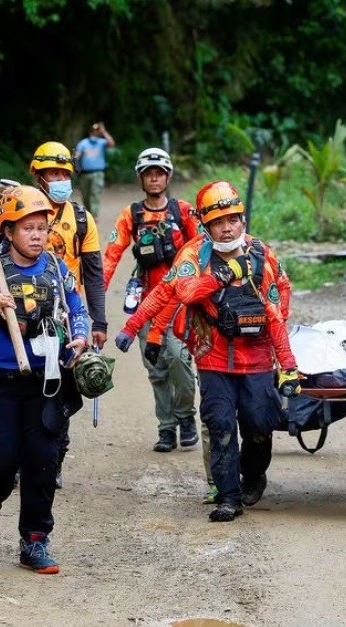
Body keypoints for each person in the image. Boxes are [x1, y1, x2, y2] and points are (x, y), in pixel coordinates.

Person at [0, 185, 90, 574]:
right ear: (8, 231)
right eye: (26, 228)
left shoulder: (57, 270)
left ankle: (34, 541)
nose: (36, 235)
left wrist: (79, 336)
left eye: (42, 228)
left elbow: (77, 309)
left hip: (46, 381)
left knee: (42, 460)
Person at [172, 180, 299, 522]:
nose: (227, 229)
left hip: (257, 358)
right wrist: (222, 277)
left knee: (260, 425)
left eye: (233, 220)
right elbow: (184, 293)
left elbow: (279, 301)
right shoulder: (193, 255)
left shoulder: (263, 255)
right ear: (206, 225)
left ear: (243, 220)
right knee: (221, 426)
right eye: (218, 223)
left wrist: (285, 359)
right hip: (212, 356)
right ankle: (228, 496)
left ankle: (254, 474)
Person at [106, 148, 202, 453]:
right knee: (156, 368)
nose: (155, 178)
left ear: (168, 176)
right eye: (148, 173)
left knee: (178, 360)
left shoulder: (183, 212)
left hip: (181, 302)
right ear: (140, 178)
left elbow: (205, 247)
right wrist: (93, 300)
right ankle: (166, 428)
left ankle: (186, 415)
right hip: (146, 301)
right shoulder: (131, 215)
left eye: (159, 173)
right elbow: (110, 257)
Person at [29, 141, 108, 488]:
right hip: (23, 312)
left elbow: (93, 272)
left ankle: (54, 459)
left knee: (59, 394)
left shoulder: (81, 218)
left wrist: (99, 321)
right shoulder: (21, 213)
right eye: (53, 173)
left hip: (64, 317)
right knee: (21, 390)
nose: (60, 179)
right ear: (38, 176)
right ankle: (22, 458)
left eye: (65, 173)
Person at [74, 122, 115, 217]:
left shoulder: (101, 142)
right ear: (90, 132)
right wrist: (74, 165)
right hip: (85, 174)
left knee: (95, 194)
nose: (95, 133)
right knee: (85, 195)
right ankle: (88, 214)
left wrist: (104, 132)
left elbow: (111, 143)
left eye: (97, 131)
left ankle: (94, 215)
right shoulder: (83, 143)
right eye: (93, 131)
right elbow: (77, 156)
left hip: (98, 173)